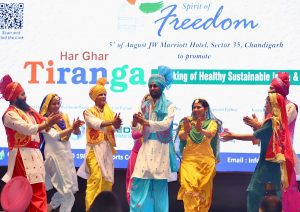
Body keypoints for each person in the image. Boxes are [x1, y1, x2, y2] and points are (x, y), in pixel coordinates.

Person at [222, 92, 294, 212]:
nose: (265, 106)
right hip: (276, 165)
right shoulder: (280, 122)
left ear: (275, 105)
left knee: (254, 192)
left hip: (267, 165)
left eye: (267, 103)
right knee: (276, 195)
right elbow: (259, 138)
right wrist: (256, 126)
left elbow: (253, 137)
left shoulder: (272, 122)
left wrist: (233, 135)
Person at [0, 75, 61, 211]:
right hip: (21, 156)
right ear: (14, 97)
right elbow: (27, 129)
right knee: (26, 193)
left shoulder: (29, 113)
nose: (25, 97)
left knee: (39, 190)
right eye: (22, 94)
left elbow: (43, 127)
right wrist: (46, 123)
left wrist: (48, 123)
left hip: (35, 154)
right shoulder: (9, 114)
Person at [244, 72, 300, 211]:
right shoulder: (270, 108)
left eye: (273, 89)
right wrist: (257, 127)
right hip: (267, 156)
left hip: (282, 156)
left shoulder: (290, 106)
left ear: (280, 91)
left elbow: (279, 127)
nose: (269, 91)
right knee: (257, 193)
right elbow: (261, 135)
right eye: (269, 88)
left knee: (282, 195)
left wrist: (257, 125)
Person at [130, 66, 177, 212]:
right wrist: (135, 122)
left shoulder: (170, 106)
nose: (152, 88)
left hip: (161, 148)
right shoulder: (143, 106)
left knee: (159, 186)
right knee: (139, 181)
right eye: (150, 85)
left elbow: (166, 124)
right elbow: (137, 130)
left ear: (161, 87)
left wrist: (146, 123)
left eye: (155, 85)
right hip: (146, 147)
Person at [77, 78, 122, 211]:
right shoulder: (88, 112)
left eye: (104, 94)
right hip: (94, 150)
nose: (103, 97)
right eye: (100, 94)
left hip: (106, 149)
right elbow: (96, 123)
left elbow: (113, 128)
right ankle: (91, 209)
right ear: (95, 97)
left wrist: (116, 124)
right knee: (95, 179)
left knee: (107, 180)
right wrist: (112, 122)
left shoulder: (109, 112)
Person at [39, 93, 84, 212]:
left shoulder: (64, 116)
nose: (56, 106)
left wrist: (76, 128)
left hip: (66, 154)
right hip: (54, 156)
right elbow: (56, 136)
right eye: (53, 103)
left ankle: (50, 206)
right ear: (47, 105)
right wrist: (72, 128)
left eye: (58, 103)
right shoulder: (44, 120)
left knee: (72, 189)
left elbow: (76, 133)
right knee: (68, 195)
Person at [177, 98, 222, 212]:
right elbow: (181, 136)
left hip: (205, 163)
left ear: (205, 109)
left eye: (199, 107)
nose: (196, 109)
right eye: (194, 107)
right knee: (189, 188)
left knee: (203, 192)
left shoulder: (212, 123)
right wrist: (187, 130)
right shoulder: (186, 121)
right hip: (189, 161)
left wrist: (200, 129)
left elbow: (211, 133)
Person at [125, 130, 142, 203]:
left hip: (152, 155)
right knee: (133, 181)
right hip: (136, 153)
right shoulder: (138, 119)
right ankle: (133, 206)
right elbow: (134, 135)